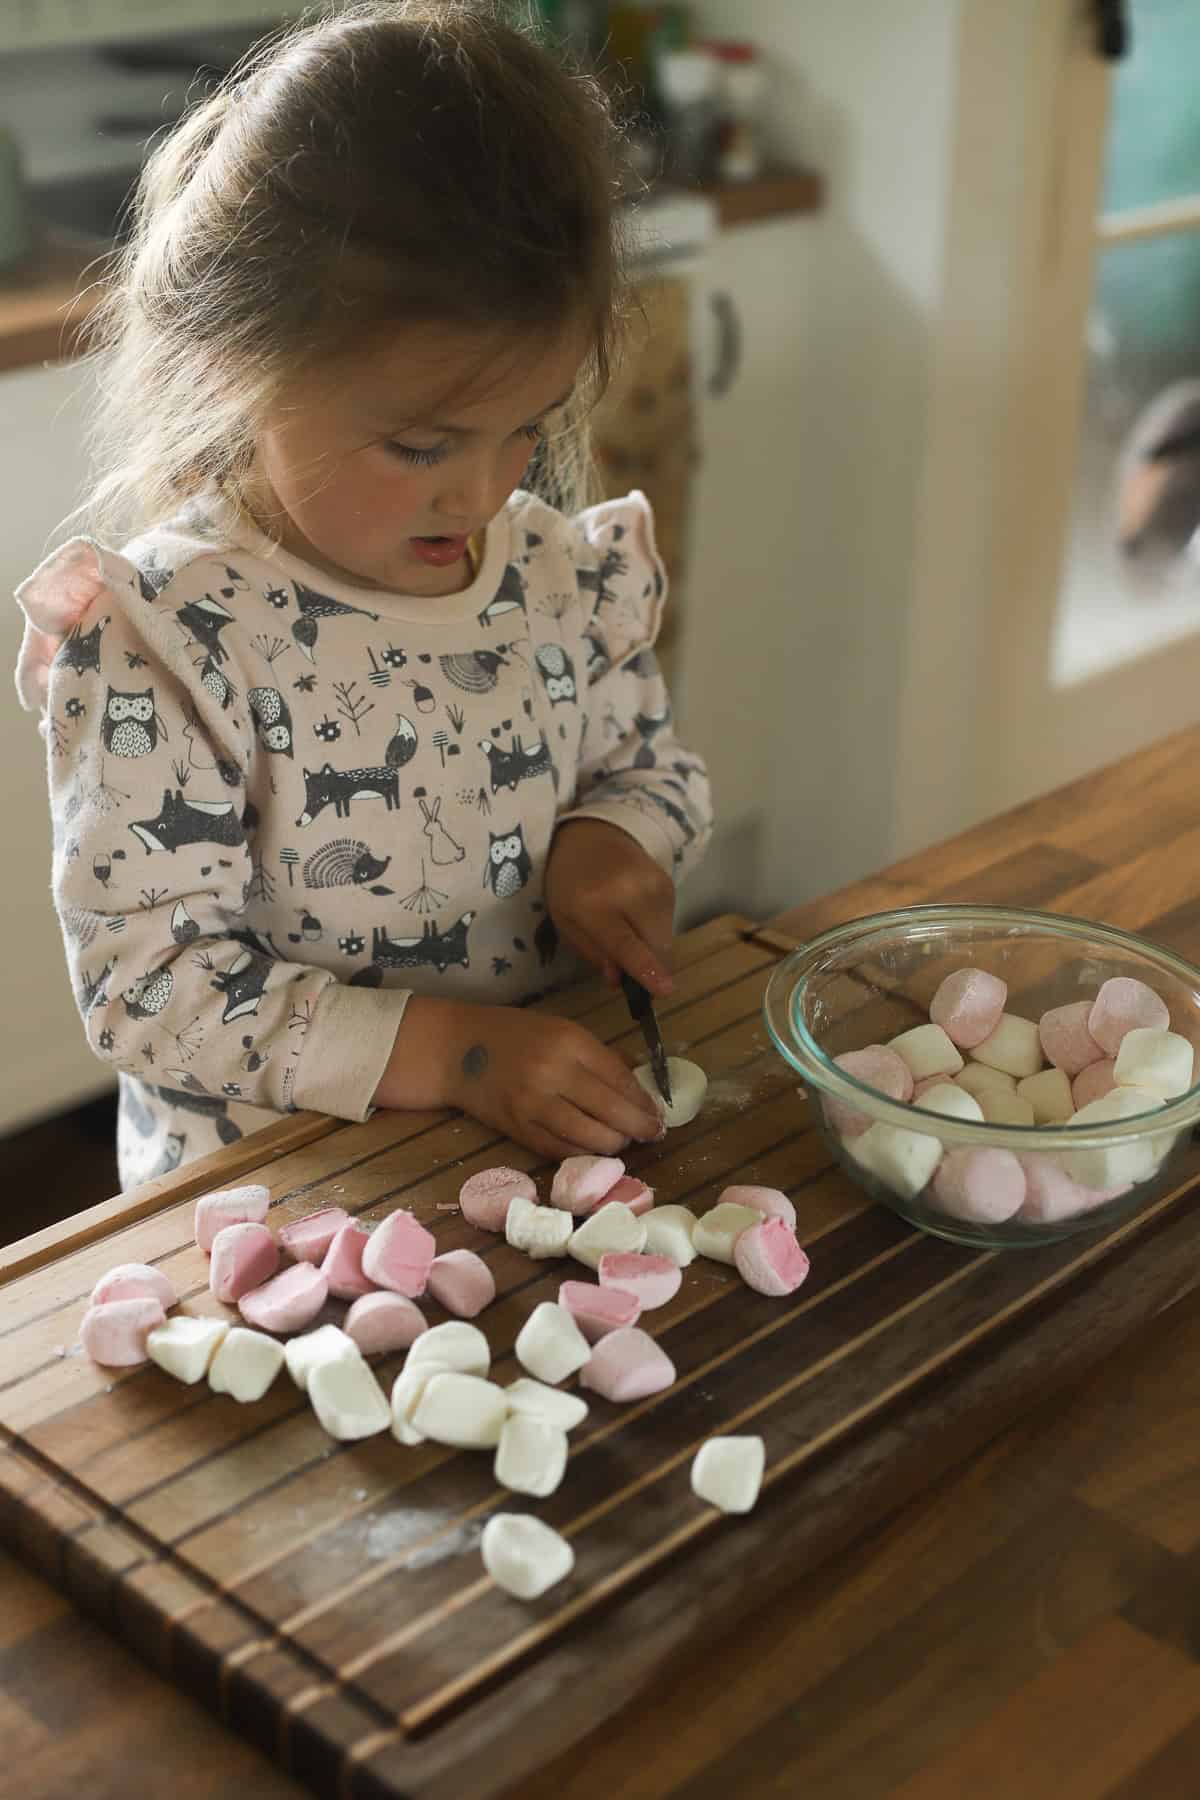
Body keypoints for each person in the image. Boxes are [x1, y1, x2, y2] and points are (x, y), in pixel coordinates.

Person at [13, 0, 712, 1190]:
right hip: (276, 1214)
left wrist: (611, 837)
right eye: (424, 446)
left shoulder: (554, 573)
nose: (488, 495)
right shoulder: (164, 645)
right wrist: (459, 1052)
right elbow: (152, 989)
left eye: (526, 434)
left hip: (528, 1162)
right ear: (245, 372)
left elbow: (648, 765)